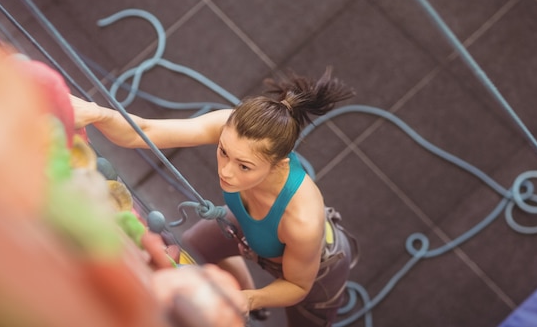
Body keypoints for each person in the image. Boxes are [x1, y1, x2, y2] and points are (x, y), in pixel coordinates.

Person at [71, 67, 359, 326]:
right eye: (223, 152)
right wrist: (99, 114)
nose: (227, 172)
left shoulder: (302, 220)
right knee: (193, 250)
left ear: (279, 165)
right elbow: (143, 132)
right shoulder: (229, 127)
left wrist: (248, 299)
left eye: (244, 166)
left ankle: (252, 303)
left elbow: (297, 286)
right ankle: (246, 295)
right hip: (251, 226)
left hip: (316, 267)